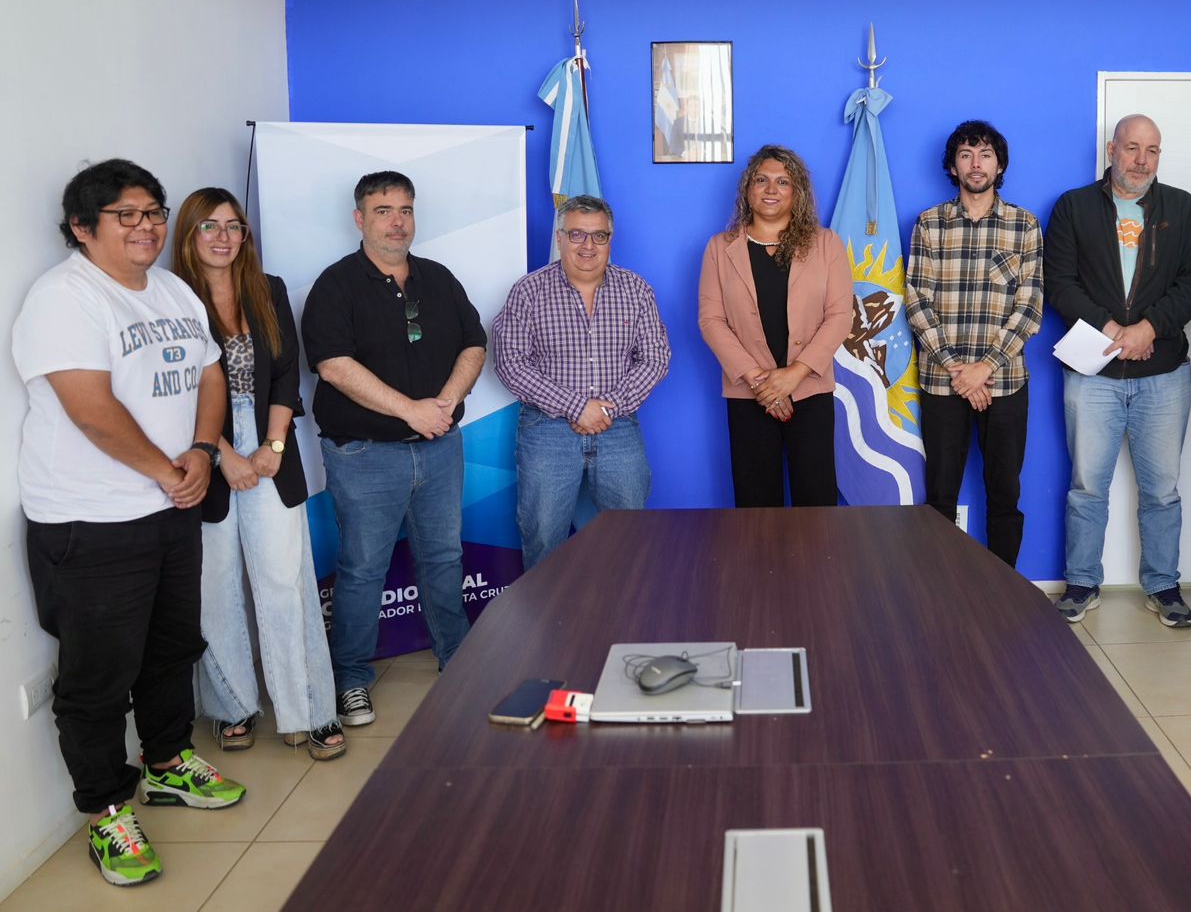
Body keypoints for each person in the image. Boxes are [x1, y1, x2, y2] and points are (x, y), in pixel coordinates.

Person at [13, 160, 245, 888]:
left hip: (169, 509)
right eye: (127, 215)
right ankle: (107, 810)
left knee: (171, 648)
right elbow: (91, 409)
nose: (147, 226)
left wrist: (202, 451)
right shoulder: (64, 299)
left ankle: (168, 762)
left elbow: (209, 374)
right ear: (82, 228)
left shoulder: (173, 289)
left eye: (154, 212)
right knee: (97, 677)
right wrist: (166, 471)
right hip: (91, 521)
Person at [301, 170, 487, 728]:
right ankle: (351, 679)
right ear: (359, 218)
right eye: (383, 211)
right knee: (362, 569)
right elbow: (333, 366)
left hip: (439, 447)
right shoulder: (335, 285)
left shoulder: (438, 277)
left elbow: (474, 343)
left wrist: (445, 403)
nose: (397, 221)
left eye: (405, 209)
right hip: (365, 455)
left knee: (444, 557)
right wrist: (411, 410)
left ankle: (459, 660)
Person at [170, 188, 344, 760]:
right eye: (209, 226)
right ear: (189, 235)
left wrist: (272, 445)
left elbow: (287, 373)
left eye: (233, 226)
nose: (223, 237)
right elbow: (174, 393)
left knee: (284, 579)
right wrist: (224, 454)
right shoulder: (169, 297)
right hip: (202, 444)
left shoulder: (267, 289)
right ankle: (233, 707)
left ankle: (308, 709)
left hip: (271, 437)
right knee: (216, 586)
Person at [1045, 114, 1191, 626]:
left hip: (1164, 374)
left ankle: (1163, 585)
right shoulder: (1073, 207)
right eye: (1132, 147)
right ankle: (1081, 583)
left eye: (1152, 150)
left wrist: (1149, 328)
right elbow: (1059, 282)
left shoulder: (1182, 207)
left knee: (1162, 490)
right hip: (1092, 373)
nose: (1141, 160)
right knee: (1086, 487)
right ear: (1112, 149)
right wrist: (1113, 328)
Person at [493, 195, 671, 569]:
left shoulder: (636, 290)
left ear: (610, 239)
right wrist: (577, 407)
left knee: (631, 535)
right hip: (547, 431)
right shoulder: (528, 291)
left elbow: (656, 358)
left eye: (599, 236)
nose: (588, 246)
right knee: (543, 537)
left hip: (618, 427)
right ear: (559, 238)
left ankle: (626, 607)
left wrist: (607, 408)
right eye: (577, 234)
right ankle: (546, 610)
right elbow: (511, 364)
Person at [904, 121, 1043, 565]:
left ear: (999, 165)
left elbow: (1030, 307)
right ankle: (941, 589)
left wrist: (985, 368)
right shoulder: (929, 224)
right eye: (966, 155)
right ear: (953, 166)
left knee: (1004, 493)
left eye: (985, 154)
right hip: (943, 382)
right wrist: (958, 369)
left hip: (1005, 382)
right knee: (940, 494)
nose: (976, 163)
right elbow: (917, 301)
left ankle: (1003, 591)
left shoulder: (1024, 225)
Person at [698, 145, 853, 506]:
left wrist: (794, 375)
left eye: (783, 182)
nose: (771, 189)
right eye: (761, 180)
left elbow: (840, 315)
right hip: (748, 394)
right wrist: (761, 382)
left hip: (810, 392)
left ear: (797, 192)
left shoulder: (826, 244)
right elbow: (711, 320)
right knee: (755, 506)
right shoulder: (720, 248)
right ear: (747, 189)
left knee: (817, 504)